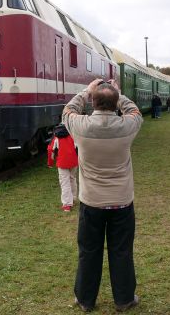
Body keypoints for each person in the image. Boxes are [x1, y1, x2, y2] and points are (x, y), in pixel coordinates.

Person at [62, 78, 143, 313]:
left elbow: (68, 110)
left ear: (93, 102)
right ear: (116, 102)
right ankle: (124, 298)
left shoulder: (80, 126)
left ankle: (86, 299)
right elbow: (134, 111)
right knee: (121, 251)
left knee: (89, 251)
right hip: (121, 201)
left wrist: (86, 92)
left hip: (92, 202)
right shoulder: (128, 126)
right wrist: (118, 93)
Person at [47, 124, 78, 212]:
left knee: (65, 182)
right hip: (73, 161)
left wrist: (50, 163)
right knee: (72, 179)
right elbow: (78, 148)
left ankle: (67, 204)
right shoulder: (73, 134)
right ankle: (73, 198)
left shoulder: (56, 137)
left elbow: (50, 149)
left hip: (62, 162)